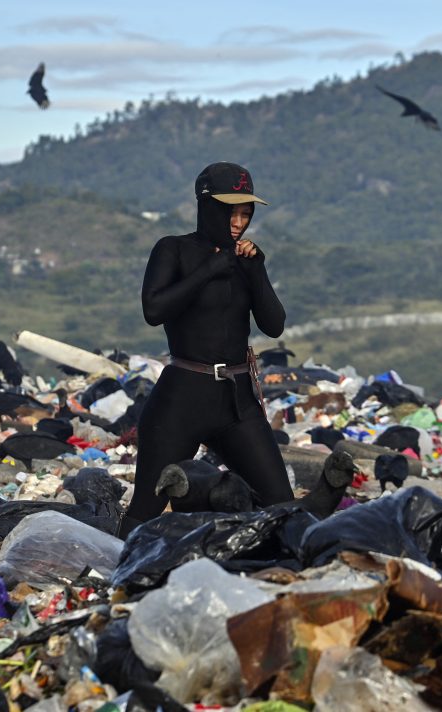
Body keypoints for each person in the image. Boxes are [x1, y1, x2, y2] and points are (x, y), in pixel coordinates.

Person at [117, 162, 293, 538]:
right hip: (182, 397)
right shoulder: (173, 250)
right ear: (207, 204)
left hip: (237, 401)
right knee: (145, 510)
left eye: (246, 213)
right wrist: (209, 270)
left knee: (281, 504)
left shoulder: (247, 261)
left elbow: (274, 325)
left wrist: (257, 270)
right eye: (232, 210)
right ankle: (112, 583)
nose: (239, 221)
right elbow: (154, 310)